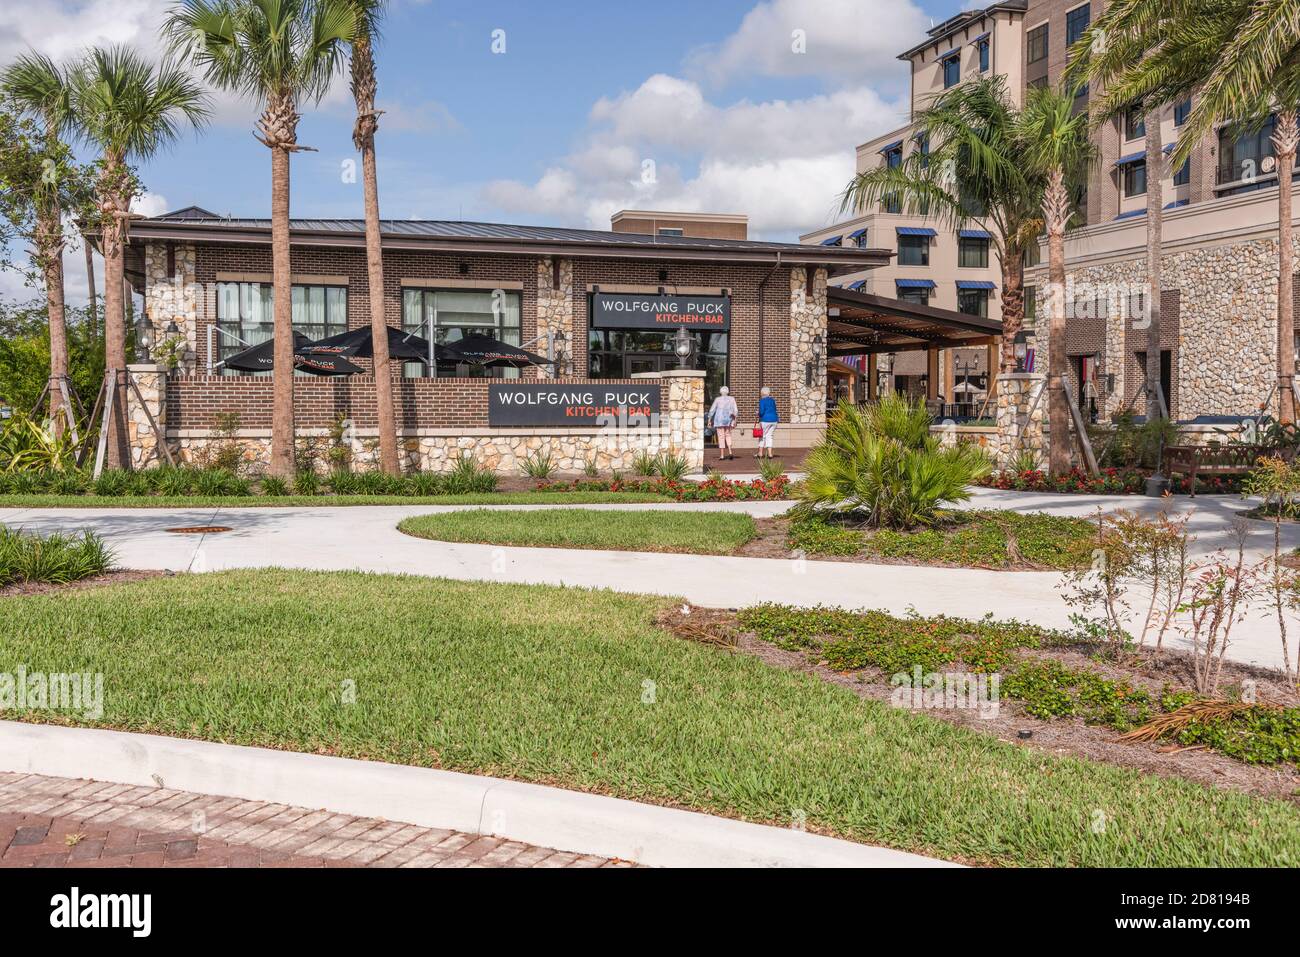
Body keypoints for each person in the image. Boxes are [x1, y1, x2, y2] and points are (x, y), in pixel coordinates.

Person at [707, 386, 739, 461]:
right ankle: (730, 452)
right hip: (728, 419)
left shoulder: (717, 399)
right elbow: (736, 410)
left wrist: (709, 419)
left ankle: (722, 455)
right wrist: (735, 419)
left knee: (721, 437)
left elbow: (712, 409)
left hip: (719, 420)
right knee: (728, 435)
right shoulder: (732, 399)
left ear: (720, 392)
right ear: (728, 391)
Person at [756, 386, 779, 460]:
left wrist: (758, 413)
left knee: (762, 436)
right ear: (768, 393)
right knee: (770, 436)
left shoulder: (762, 401)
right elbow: (775, 409)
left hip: (765, 420)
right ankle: (770, 454)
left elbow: (762, 412)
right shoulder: (772, 400)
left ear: (762, 393)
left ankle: (760, 453)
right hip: (774, 420)